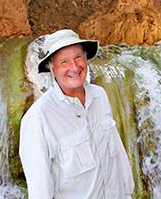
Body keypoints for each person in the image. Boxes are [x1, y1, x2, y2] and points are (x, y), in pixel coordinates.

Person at [19, 29, 134, 198]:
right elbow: (40, 191)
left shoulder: (99, 96)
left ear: (86, 58)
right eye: (64, 62)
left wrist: (128, 193)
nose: (74, 67)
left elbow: (117, 153)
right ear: (52, 67)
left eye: (78, 57)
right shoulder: (38, 119)